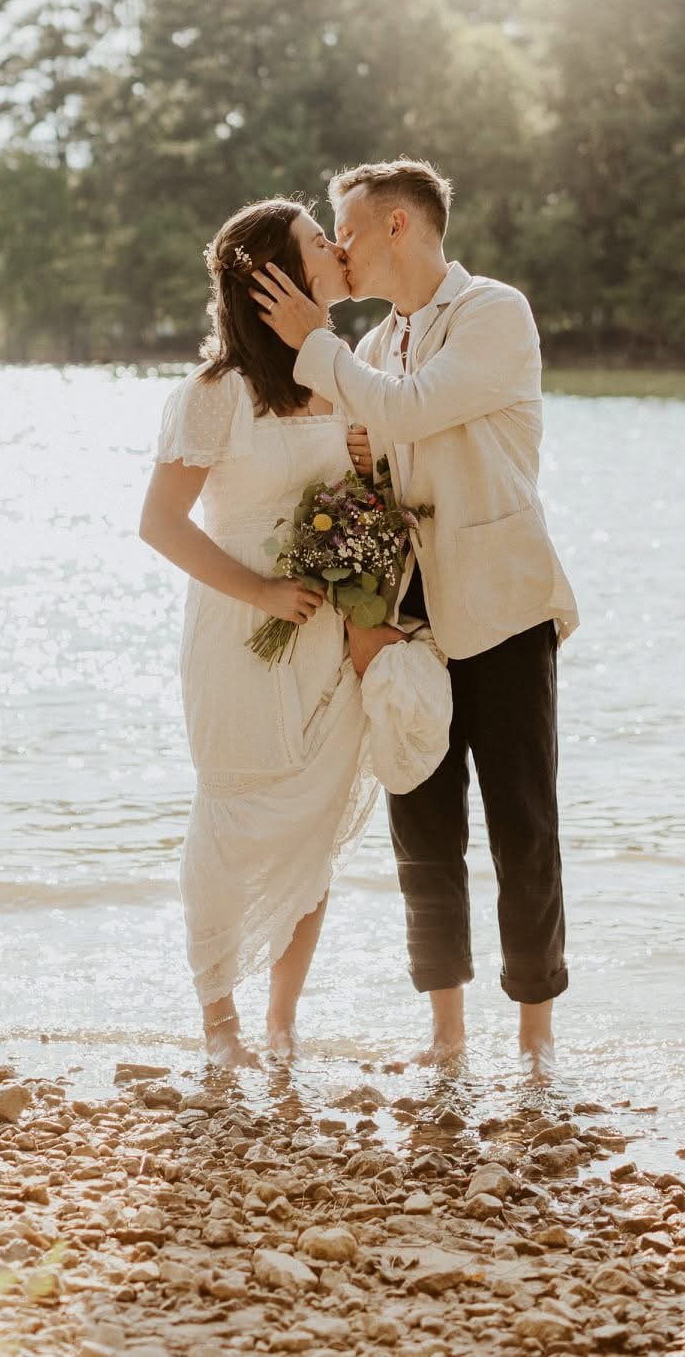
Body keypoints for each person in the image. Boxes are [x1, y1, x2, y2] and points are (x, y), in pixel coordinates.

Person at [251, 157, 578, 1078]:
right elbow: (389, 446)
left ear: (397, 226)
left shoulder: (493, 313)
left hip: (505, 612)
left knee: (524, 825)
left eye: (344, 228)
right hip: (407, 626)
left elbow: (417, 409)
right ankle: (447, 1033)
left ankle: (536, 1037)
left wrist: (319, 344)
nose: (337, 246)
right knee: (423, 830)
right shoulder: (384, 342)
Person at [138, 198, 379, 1068]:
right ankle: (220, 1024)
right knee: (234, 817)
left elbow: (374, 481)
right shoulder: (216, 394)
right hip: (240, 627)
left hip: (325, 631)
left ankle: (282, 1025)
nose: (339, 246)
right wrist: (263, 590)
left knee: (313, 823)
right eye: (321, 241)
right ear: (277, 274)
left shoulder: (343, 371)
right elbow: (160, 524)